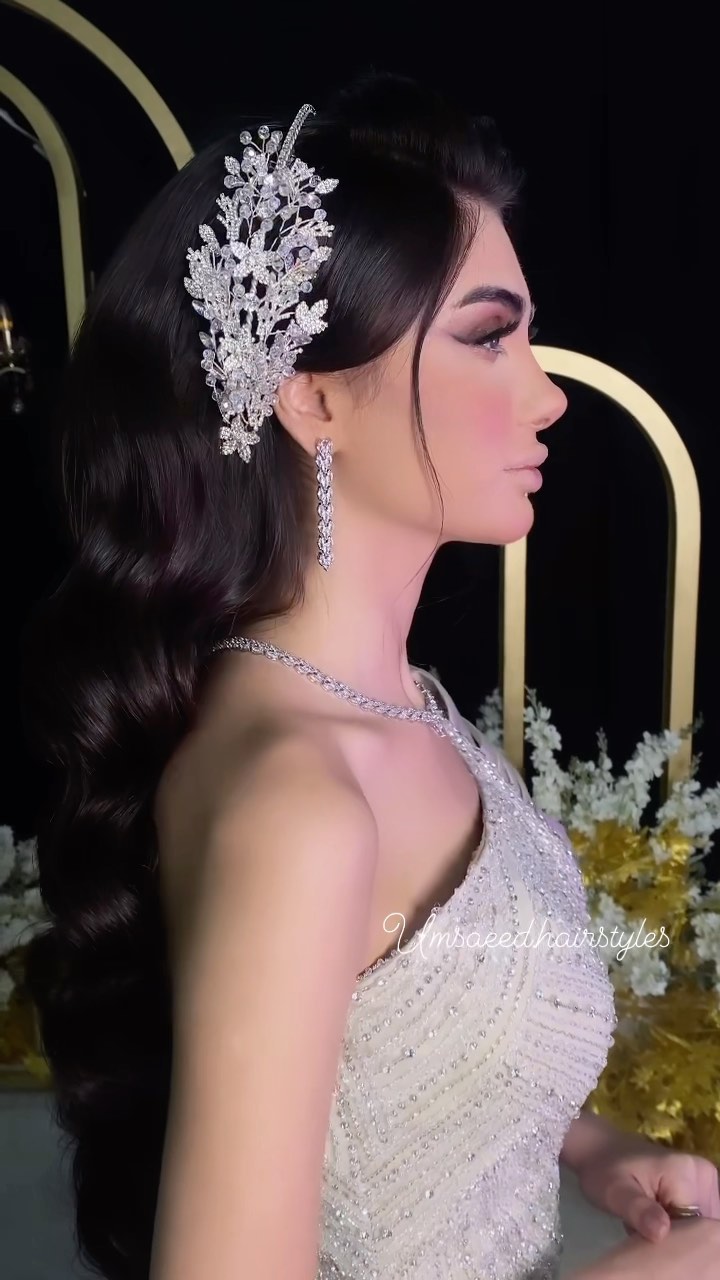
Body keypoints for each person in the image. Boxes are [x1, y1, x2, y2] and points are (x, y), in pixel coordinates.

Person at [20, 69, 719, 1280]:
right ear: (312, 396)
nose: (547, 394)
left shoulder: (397, 708)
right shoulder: (301, 799)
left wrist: (591, 1146)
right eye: (489, 336)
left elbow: (391, 1056)